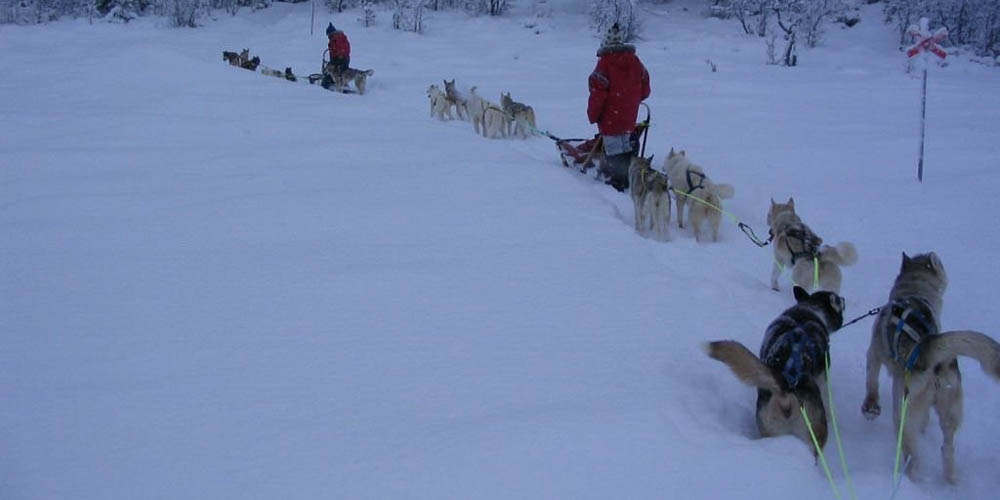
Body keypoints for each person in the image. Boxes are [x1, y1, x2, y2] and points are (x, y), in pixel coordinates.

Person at [587, 22, 650, 192]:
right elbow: (645, 88)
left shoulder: (604, 64)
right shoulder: (635, 61)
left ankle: (618, 182)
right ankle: (630, 175)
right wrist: (631, 100)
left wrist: (593, 115)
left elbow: (597, 95)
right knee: (625, 143)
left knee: (614, 147)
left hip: (610, 117)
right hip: (629, 116)